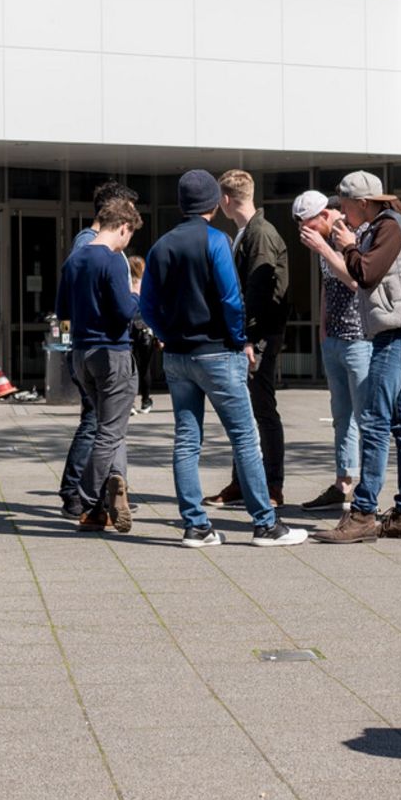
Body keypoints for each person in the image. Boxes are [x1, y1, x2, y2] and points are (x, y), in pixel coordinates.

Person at [140, 169, 307, 548]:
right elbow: (232, 299)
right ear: (214, 204)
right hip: (217, 351)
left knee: (186, 440)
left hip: (178, 356)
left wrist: (167, 335)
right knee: (245, 438)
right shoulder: (216, 241)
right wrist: (237, 339)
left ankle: (196, 526)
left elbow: (146, 306)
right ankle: (265, 524)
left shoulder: (161, 246)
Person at [300, 171, 401, 544]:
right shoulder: (394, 223)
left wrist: (348, 245)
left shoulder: (389, 226)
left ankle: (363, 513)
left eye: (344, 205)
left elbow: (365, 274)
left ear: (361, 203)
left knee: (373, 419)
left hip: (397, 333)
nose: (341, 213)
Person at [202, 170, 289, 509]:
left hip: (260, 336)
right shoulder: (246, 232)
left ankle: (271, 486)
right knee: (247, 411)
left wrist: (248, 337)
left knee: (262, 410)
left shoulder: (260, 234)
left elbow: (260, 291)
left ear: (225, 200)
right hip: (253, 335)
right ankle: (243, 482)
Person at [57, 198, 144, 533]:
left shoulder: (75, 259)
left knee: (111, 424)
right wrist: (136, 292)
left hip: (82, 353)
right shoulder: (110, 261)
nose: (127, 243)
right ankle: (88, 500)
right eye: (129, 235)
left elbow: (63, 311)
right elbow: (125, 312)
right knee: (109, 432)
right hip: (113, 353)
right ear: (123, 227)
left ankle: (115, 487)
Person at [292, 190, 366, 512]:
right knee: (341, 416)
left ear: (324, 215)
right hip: (333, 339)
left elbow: (354, 280)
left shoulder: (352, 235)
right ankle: (343, 484)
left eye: (308, 223)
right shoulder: (321, 242)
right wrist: (322, 327)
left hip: (359, 339)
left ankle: (367, 490)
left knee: (366, 416)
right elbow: (327, 285)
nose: (304, 231)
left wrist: (325, 247)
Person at [126, 255, 161, 416]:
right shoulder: (147, 286)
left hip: (129, 331)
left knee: (130, 368)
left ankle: (130, 402)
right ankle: (146, 400)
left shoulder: (126, 285)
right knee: (144, 368)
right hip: (145, 331)